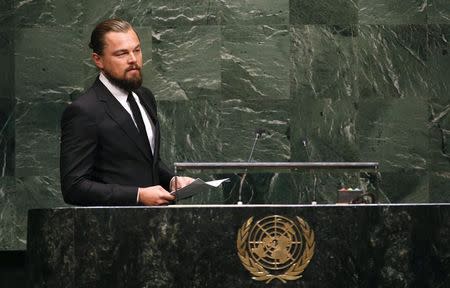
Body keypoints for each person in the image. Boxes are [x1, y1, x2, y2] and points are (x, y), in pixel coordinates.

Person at [60, 18, 193, 206]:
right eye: (122, 54)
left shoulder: (145, 97)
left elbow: (145, 161)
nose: (133, 60)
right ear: (98, 60)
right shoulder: (83, 111)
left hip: (158, 226)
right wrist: (138, 195)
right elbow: (73, 187)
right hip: (113, 229)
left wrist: (172, 181)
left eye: (137, 50)